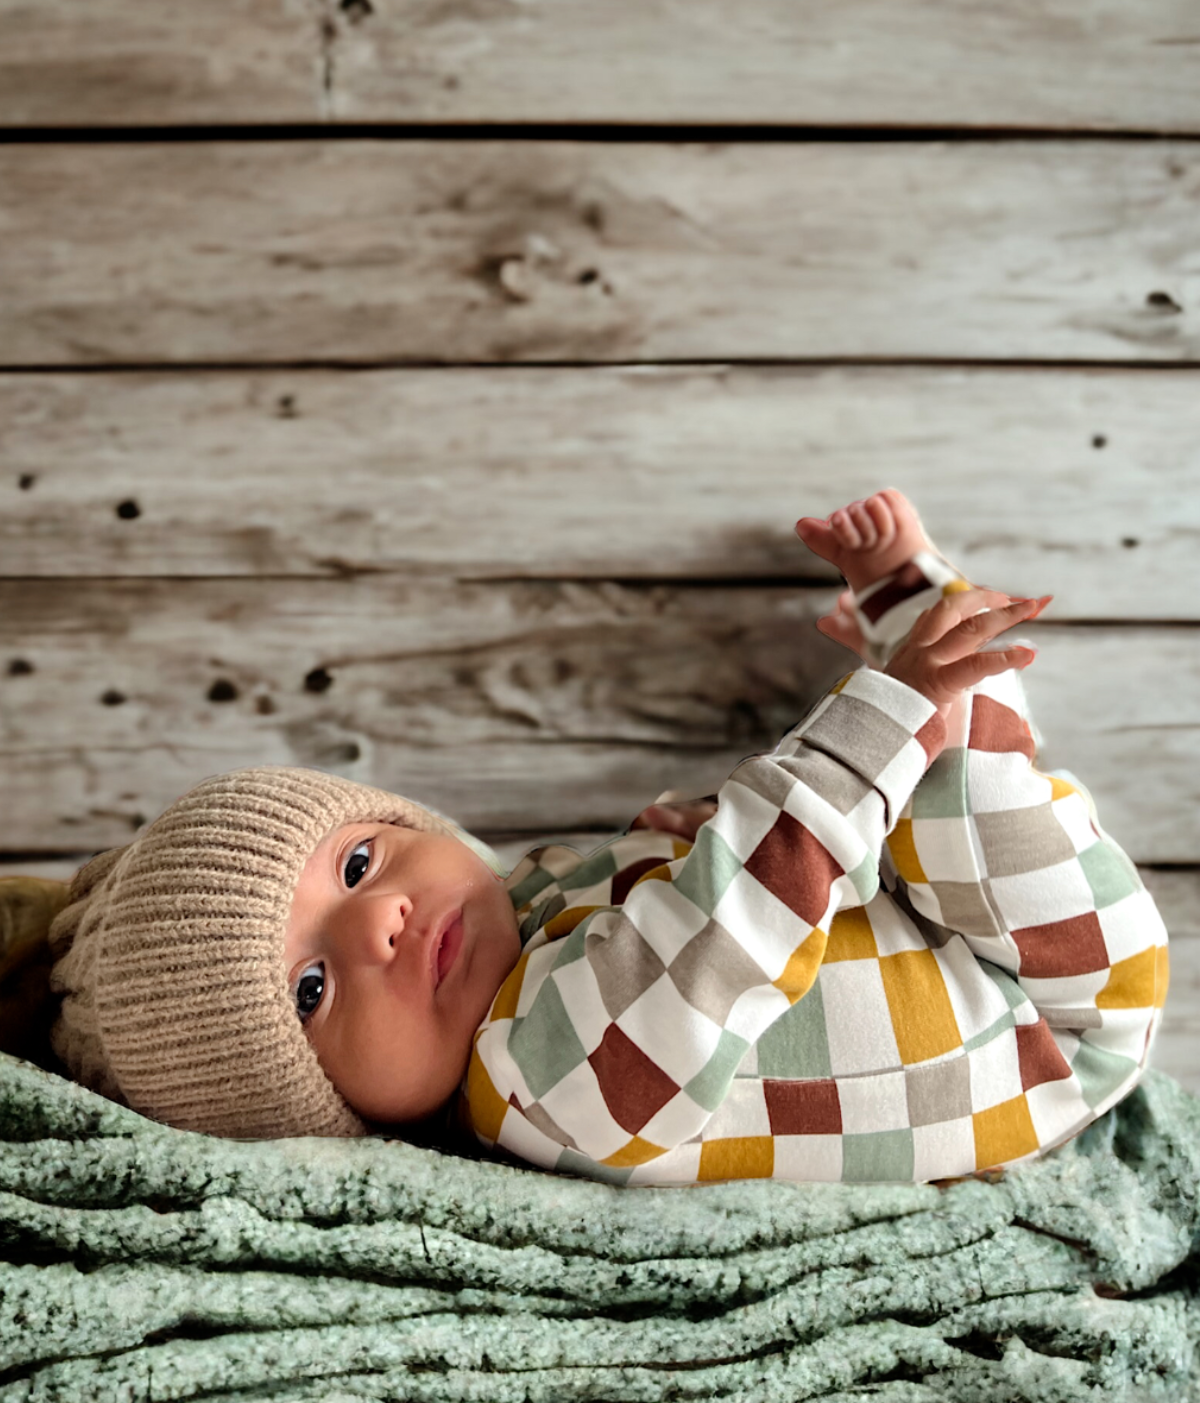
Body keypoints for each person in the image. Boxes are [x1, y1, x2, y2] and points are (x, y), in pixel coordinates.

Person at [46, 491, 1169, 1185]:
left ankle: (913, 632)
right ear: (325, 1116)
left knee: (886, 766)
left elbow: (688, 893)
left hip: (961, 954)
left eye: (354, 865)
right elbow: (722, 933)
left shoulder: (520, 920)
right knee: (923, 744)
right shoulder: (538, 1085)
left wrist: (669, 842)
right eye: (310, 988)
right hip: (1060, 1012)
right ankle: (915, 607)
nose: (379, 922)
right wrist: (884, 708)